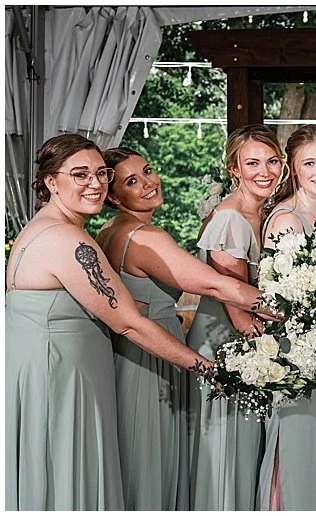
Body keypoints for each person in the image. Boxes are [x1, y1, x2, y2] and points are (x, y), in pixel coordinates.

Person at [7, 134, 217, 510]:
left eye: (101, 173)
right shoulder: (69, 240)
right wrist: (205, 367)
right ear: (51, 182)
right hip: (64, 380)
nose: (95, 183)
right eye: (80, 174)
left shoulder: (46, 230)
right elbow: (129, 323)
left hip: (50, 371)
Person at [96, 147, 269, 510]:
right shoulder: (145, 237)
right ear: (113, 195)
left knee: (138, 457)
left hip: (128, 353)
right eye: (132, 181)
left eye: (147, 170)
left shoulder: (109, 230)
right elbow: (217, 285)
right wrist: (301, 304)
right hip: (151, 359)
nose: (147, 183)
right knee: (151, 463)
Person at [188, 124, 282, 510]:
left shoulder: (260, 213)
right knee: (228, 452)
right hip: (226, 347)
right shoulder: (230, 220)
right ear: (234, 169)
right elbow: (240, 313)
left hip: (247, 344)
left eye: (272, 161)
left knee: (245, 450)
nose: (265, 171)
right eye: (253, 163)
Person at [256, 124, 316, 510]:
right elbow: (277, 300)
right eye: (310, 163)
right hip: (297, 355)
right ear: (293, 167)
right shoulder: (286, 219)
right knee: (292, 454)